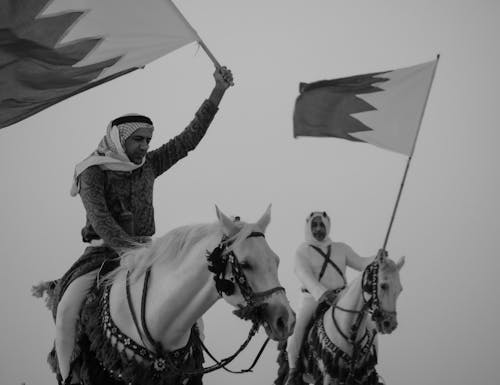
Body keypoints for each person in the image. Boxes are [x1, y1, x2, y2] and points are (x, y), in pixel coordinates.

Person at [55, 66, 234, 384]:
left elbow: (187, 141)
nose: (145, 146)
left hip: (150, 253)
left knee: (193, 320)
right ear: (119, 139)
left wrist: (218, 91)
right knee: (68, 307)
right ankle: (68, 377)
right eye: (138, 140)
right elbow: (101, 219)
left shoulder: (148, 164)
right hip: (102, 255)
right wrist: (128, 250)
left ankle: (190, 375)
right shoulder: (91, 172)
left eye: (148, 140)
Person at [285, 211, 376, 384]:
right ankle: (293, 370)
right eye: (315, 225)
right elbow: (303, 274)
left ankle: (370, 368)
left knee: (370, 325)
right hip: (312, 298)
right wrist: (322, 293)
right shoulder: (302, 250)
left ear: (327, 226)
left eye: (321, 225)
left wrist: (376, 259)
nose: (318, 229)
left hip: (342, 297)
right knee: (298, 329)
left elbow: (361, 262)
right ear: (309, 227)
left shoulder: (341, 248)